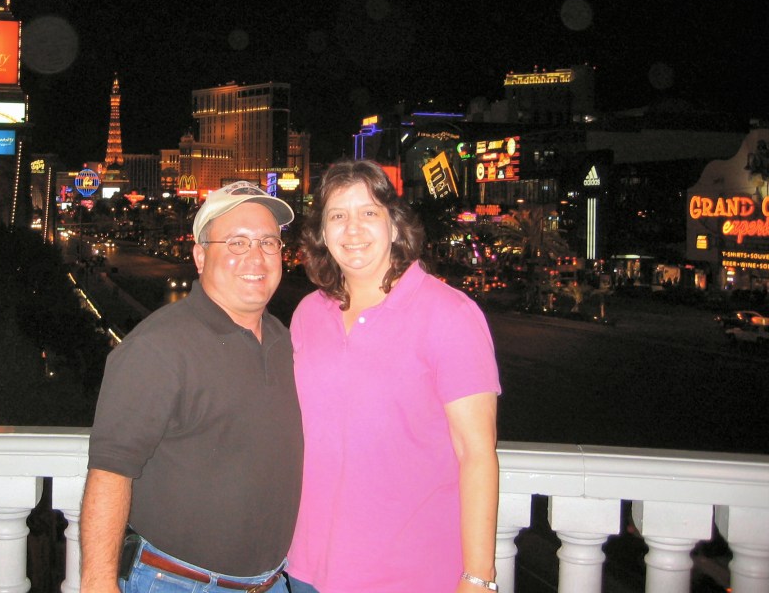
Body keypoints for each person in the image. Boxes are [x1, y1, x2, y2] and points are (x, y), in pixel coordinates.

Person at [287, 160, 501, 593]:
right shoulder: (309, 314)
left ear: (394, 225)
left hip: (410, 573)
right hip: (309, 567)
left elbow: (477, 454)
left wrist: (478, 576)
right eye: (337, 215)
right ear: (322, 234)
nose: (353, 229)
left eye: (369, 212)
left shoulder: (449, 314)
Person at [79, 181, 302, 593]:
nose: (256, 257)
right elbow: (109, 473)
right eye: (237, 243)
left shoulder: (284, 340)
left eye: (268, 242)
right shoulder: (157, 347)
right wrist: (98, 583)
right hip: (177, 582)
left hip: (271, 582)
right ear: (200, 256)